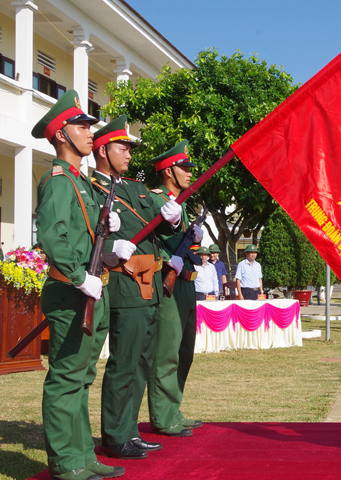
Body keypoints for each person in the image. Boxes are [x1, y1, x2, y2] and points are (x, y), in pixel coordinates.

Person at [32, 90, 125, 480]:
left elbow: (86, 238)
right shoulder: (58, 181)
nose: (90, 133)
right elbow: (53, 238)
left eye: (89, 126)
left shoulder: (81, 182)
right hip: (71, 292)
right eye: (82, 126)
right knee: (66, 378)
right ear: (60, 136)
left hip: (90, 290)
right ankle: (65, 461)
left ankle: (83, 455)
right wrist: (78, 277)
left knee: (83, 378)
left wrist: (111, 242)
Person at [89, 116, 184, 460]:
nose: (129, 154)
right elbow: (92, 235)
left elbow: (165, 231)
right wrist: (114, 244)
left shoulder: (134, 188)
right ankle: (114, 435)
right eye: (121, 147)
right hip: (125, 285)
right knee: (124, 363)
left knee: (143, 363)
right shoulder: (91, 189)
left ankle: (129, 430)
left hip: (151, 286)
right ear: (102, 151)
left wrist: (173, 217)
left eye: (130, 148)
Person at [147, 139, 204, 437]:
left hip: (186, 283)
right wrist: (170, 259)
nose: (190, 173)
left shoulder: (182, 203)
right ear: (169, 170)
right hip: (167, 283)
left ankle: (173, 407)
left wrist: (194, 236)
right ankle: (162, 414)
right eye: (184, 168)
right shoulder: (157, 200)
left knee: (185, 350)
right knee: (167, 351)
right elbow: (152, 240)